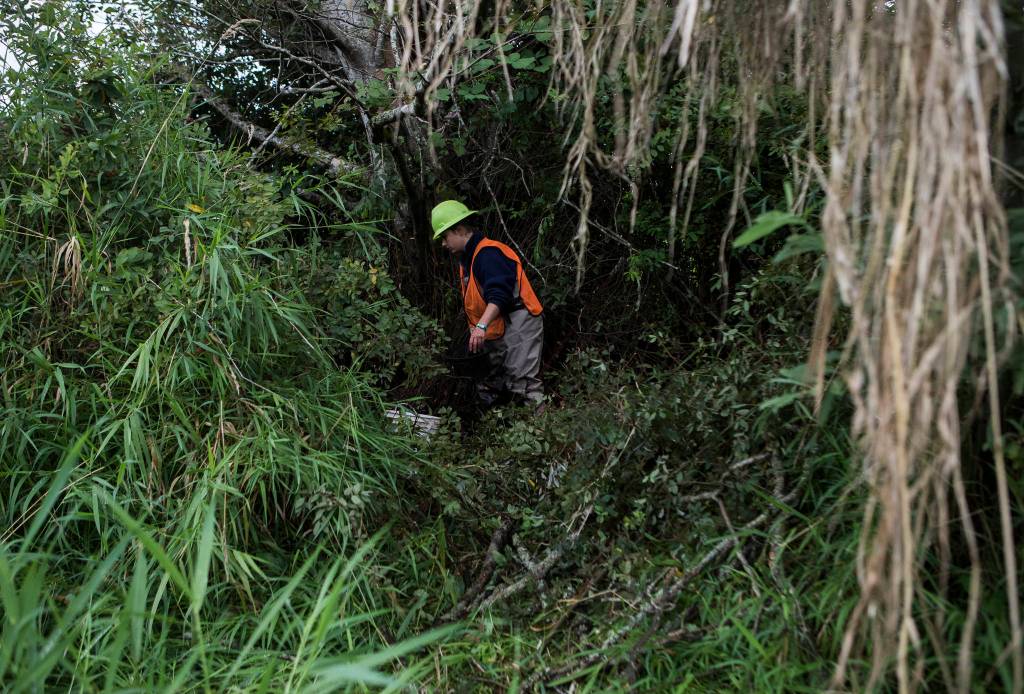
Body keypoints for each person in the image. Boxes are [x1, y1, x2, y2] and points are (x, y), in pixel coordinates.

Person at [432, 199, 545, 407]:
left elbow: (499, 295)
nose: (443, 244)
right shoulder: (468, 259)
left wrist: (481, 327)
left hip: (519, 322)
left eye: (445, 237)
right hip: (500, 327)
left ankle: (542, 431)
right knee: (500, 383)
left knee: (524, 385)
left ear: (458, 230)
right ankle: (510, 433)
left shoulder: (488, 254)